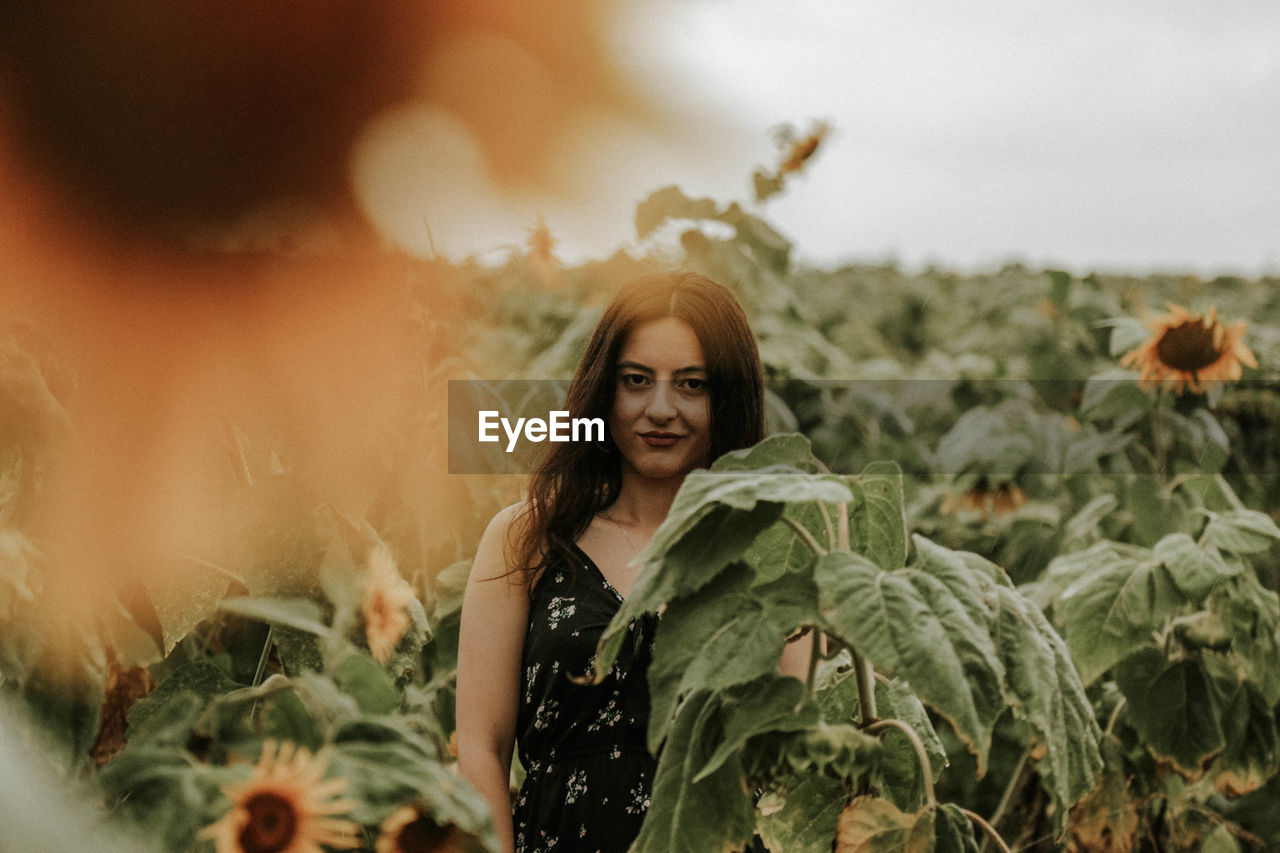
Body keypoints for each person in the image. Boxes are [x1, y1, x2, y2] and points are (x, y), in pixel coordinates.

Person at [456, 271, 803, 853]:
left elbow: (795, 749)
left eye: (692, 384)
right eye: (636, 381)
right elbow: (480, 749)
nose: (661, 409)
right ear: (602, 391)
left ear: (729, 398)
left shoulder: (772, 545)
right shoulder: (529, 538)